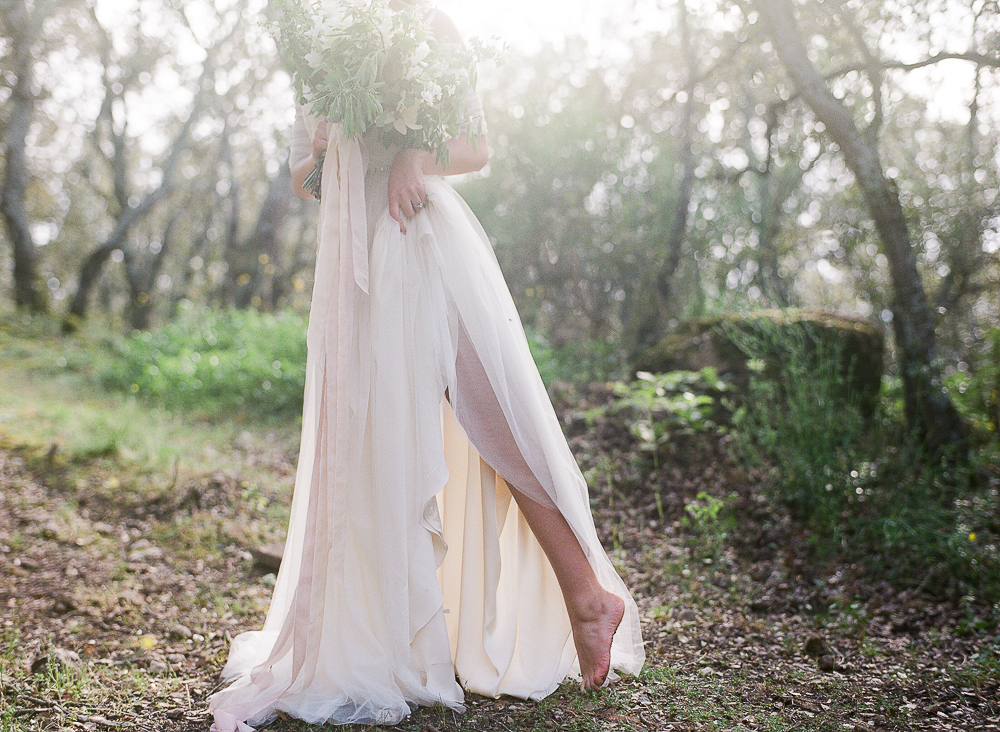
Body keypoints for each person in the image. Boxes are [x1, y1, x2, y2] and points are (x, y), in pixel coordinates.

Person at [208, 4, 644, 730]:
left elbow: (475, 144)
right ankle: (389, 637)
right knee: (374, 442)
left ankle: (584, 593)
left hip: (425, 241)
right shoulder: (320, 45)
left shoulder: (430, 25)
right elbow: (304, 179)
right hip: (357, 263)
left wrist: (416, 156)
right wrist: (322, 152)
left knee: (490, 415)